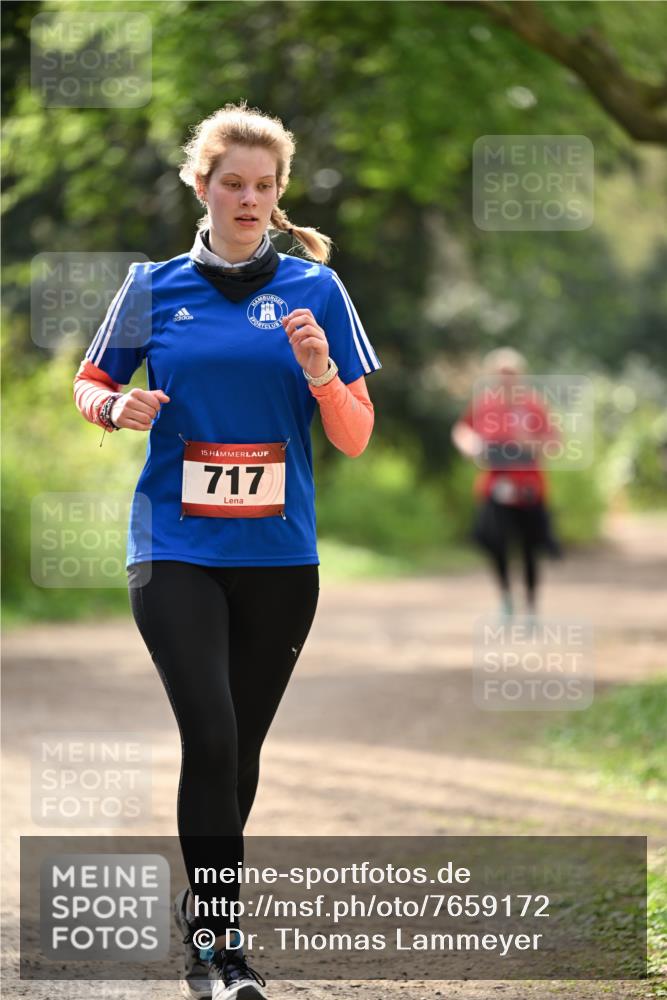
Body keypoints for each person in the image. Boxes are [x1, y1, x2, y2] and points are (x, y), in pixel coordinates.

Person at [73, 101, 381, 1000]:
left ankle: (200, 916)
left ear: (278, 195)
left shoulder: (319, 291)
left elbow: (355, 434)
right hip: (174, 546)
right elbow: (92, 380)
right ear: (200, 186)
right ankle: (220, 947)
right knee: (208, 734)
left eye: (264, 186)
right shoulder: (151, 286)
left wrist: (321, 373)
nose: (248, 199)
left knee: (237, 754)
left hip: (279, 559)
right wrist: (115, 406)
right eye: (232, 183)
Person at [451, 348, 561, 618]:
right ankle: (506, 598)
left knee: (530, 546)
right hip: (495, 483)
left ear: (521, 375)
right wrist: (470, 444)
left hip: (528, 485)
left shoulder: (534, 404)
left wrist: (529, 442)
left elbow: (554, 442)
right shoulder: (484, 404)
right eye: (500, 374)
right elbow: (462, 429)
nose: (506, 379)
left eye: (511, 373)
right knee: (493, 540)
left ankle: (531, 605)